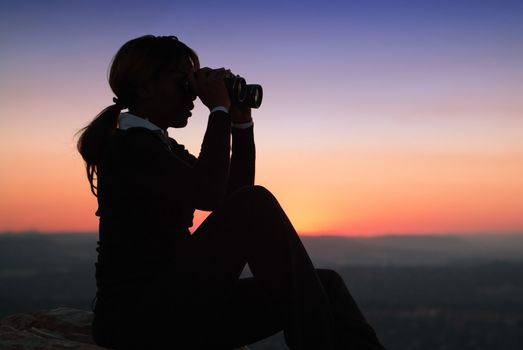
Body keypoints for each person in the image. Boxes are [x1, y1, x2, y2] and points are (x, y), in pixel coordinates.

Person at [77, 35, 385, 350]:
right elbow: (219, 197)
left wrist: (241, 124)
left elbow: (230, 196)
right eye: (184, 83)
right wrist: (219, 110)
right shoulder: (129, 146)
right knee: (256, 203)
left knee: (326, 285)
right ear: (145, 87)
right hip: (138, 321)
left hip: (179, 309)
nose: (193, 96)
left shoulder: (160, 146)